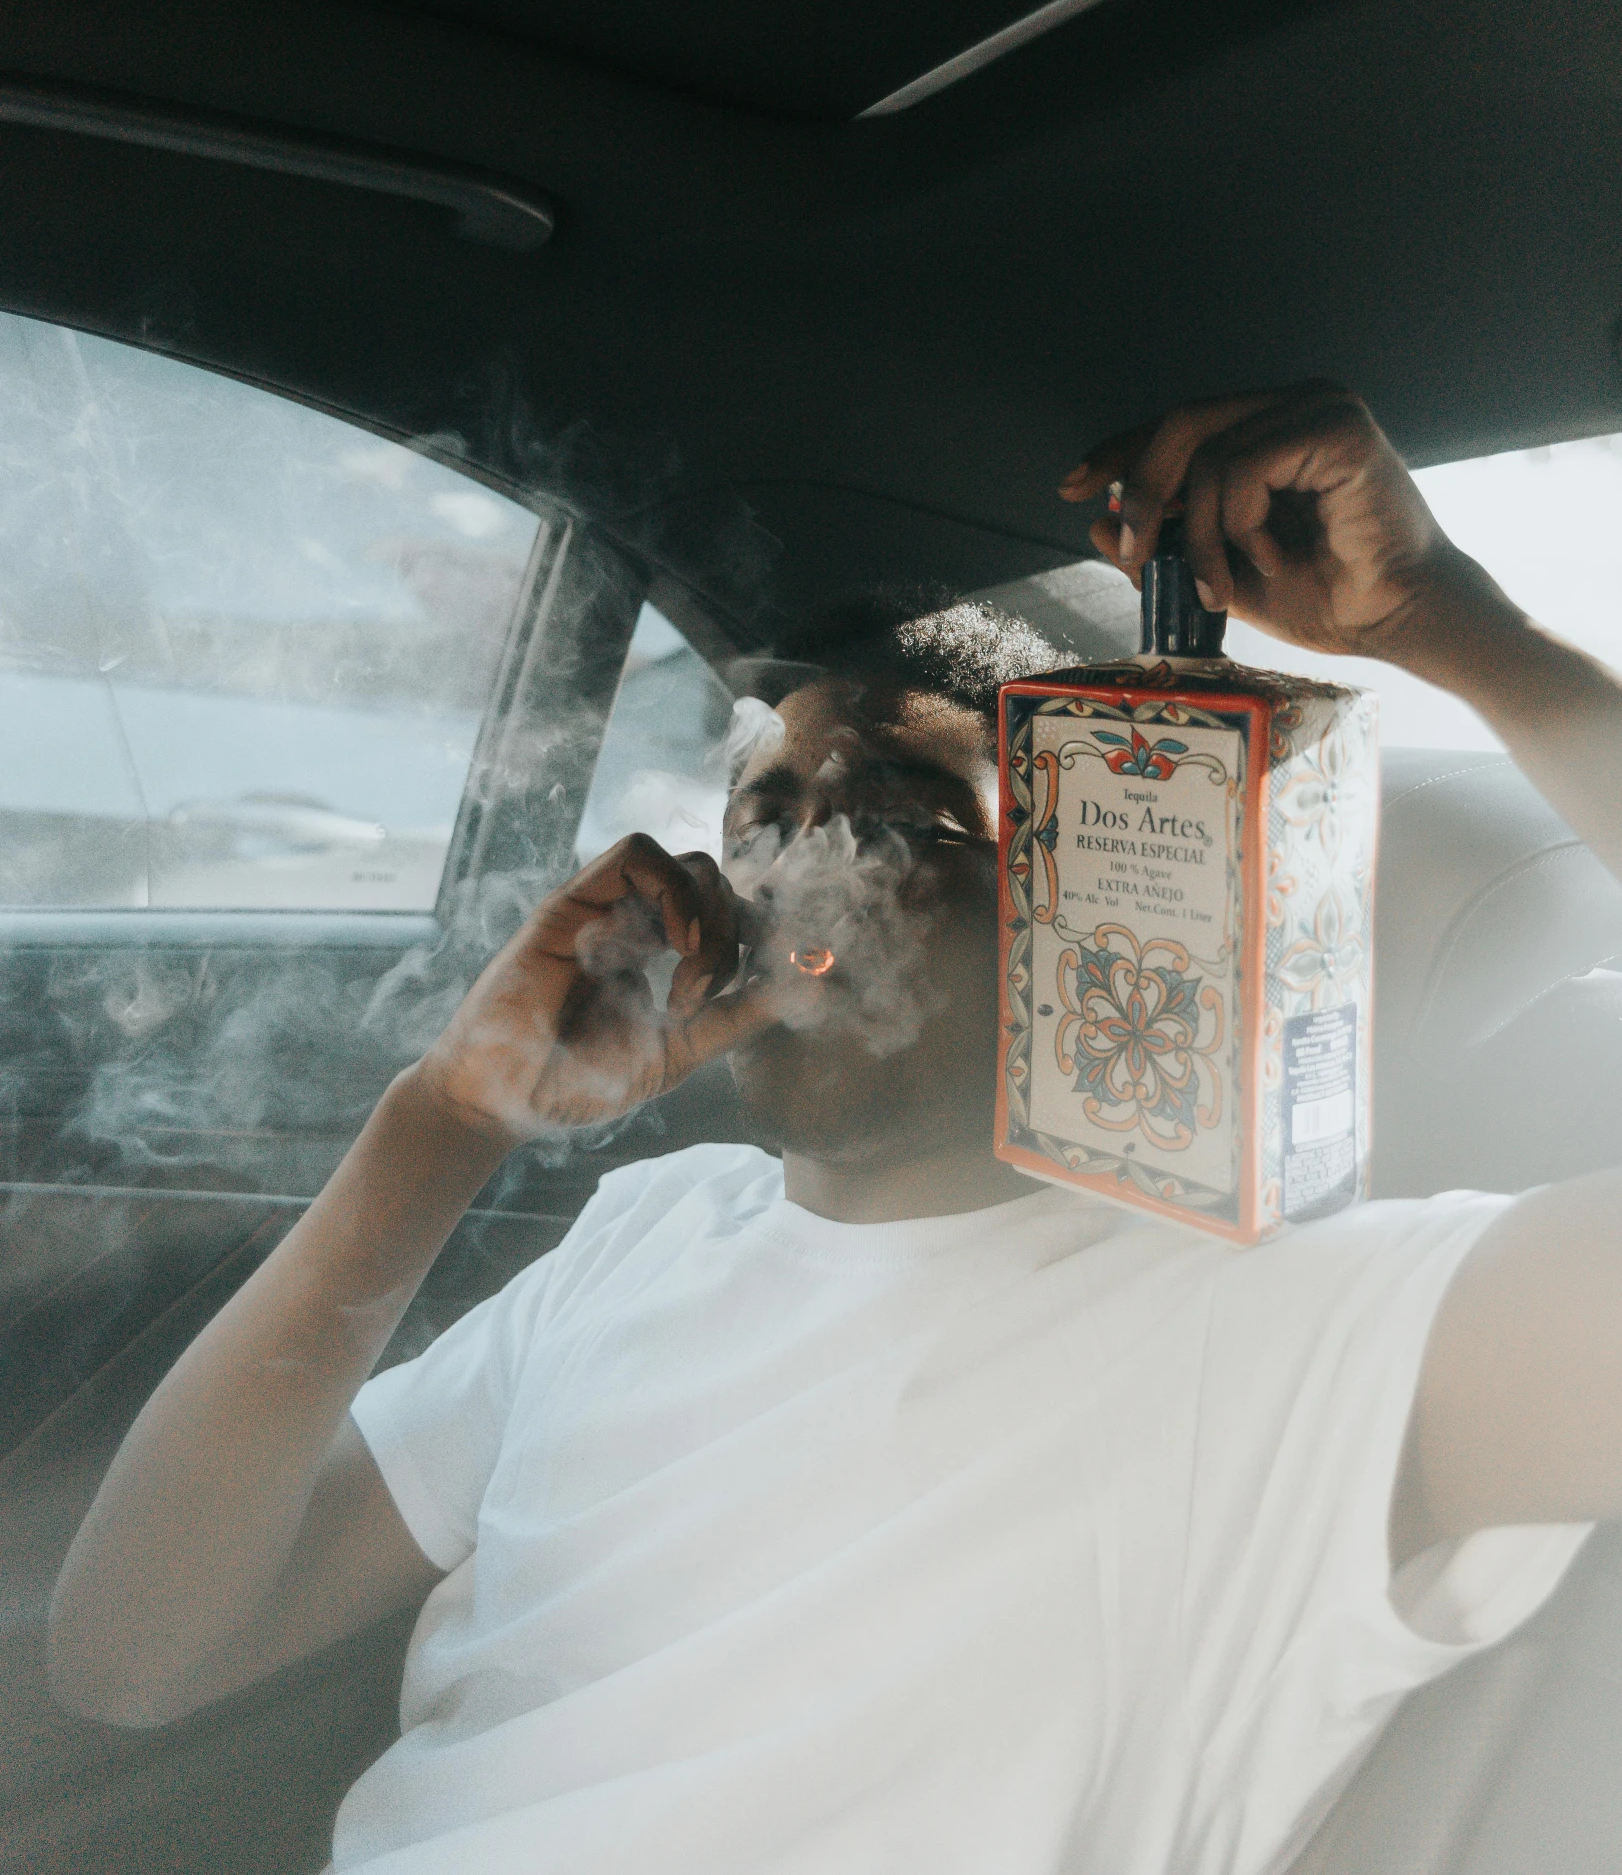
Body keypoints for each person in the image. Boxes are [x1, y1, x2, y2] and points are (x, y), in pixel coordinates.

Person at [45, 385, 1622, 1875]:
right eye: (764, 812)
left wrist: (1468, 637)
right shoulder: (640, 1243)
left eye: (904, 816)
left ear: (1100, 898)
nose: (806, 864)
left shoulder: (1311, 1320)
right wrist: (442, 1124)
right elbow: (133, 1654)